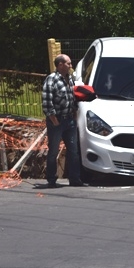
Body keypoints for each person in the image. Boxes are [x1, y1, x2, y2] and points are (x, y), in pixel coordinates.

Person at [41, 54, 84, 188]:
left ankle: (75, 179)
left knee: (73, 151)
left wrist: (75, 115)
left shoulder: (69, 79)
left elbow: (73, 98)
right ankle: (51, 179)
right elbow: (47, 103)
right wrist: (54, 120)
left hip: (69, 120)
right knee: (53, 151)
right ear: (60, 65)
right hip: (57, 121)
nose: (70, 66)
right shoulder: (51, 80)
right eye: (68, 64)